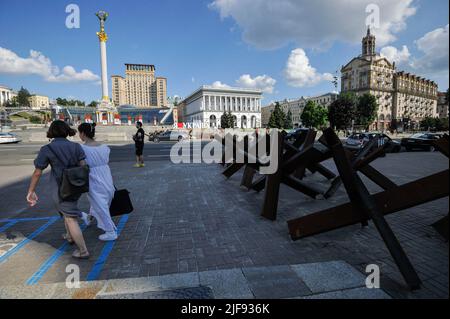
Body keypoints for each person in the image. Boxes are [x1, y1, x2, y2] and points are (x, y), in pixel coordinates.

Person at [27, 120, 90, 259]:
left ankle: (83, 250)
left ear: (52, 132)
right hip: (76, 186)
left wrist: (31, 191)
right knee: (67, 212)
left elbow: (38, 172)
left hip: (60, 187)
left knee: (70, 218)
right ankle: (69, 236)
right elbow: (83, 166)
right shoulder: (76, 147)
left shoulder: (47, 149)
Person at [78, 123, 118, 241]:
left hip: (92, 175)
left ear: (83, 134)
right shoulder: (105, 147)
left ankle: (110, 231)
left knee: (99, 203)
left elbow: (82, 164)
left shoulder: (82, 148)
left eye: (79, 133)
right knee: (103, 199)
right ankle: (90, 218)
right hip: (106, 174)